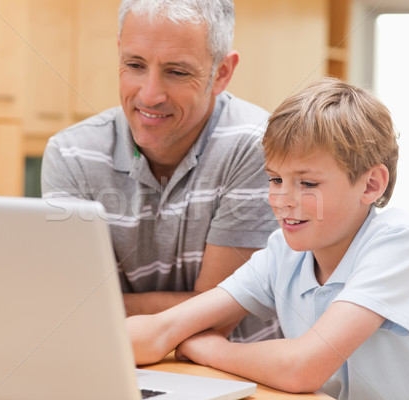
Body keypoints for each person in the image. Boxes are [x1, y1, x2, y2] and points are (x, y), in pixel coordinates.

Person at [127, 78, 409, 399]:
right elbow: (163, 329)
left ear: (371, 184)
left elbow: (302, 367)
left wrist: (205, 347)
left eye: (308, 183)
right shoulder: (283, 252)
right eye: (275, 179)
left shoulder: (398, 243)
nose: (282, 200)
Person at [41, 0, 282, 342]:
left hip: (236, 375)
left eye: (177, 72)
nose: (150, 95)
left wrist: (100, 307)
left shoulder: (257, 147)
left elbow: (217, 318)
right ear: (119, 52)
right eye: (135, 64)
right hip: (120, 364)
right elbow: (68, 307)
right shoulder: (72, 153)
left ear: (222, 73)